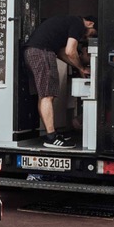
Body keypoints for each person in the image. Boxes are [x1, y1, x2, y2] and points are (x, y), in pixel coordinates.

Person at [23, 15, 97, 148]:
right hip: (42, 53)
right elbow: (70, 51)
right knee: (47, 96)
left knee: (44, 95)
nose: (88, 38)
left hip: (35, 52)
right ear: (90, 24)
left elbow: (62, 53)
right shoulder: (78, 23)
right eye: (92, 34)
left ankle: (51, 134)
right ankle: (51, 138)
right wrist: (81, 67)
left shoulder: (66, 23)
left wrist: (80, 69)